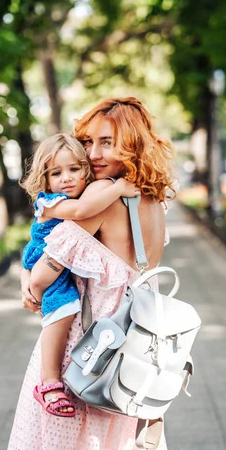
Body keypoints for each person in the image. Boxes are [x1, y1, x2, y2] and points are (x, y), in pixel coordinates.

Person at [0, 97, 176, 450]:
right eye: (88, 142)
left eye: (107, 142)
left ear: (131, 143)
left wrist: (31, 283)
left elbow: (45, 274)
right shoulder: (154, 199)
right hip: (135, 347)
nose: (93, 153)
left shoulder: (97, 204)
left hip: (90, 345)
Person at [19, 133, 139, 417]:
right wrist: (118, 187)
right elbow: (83, 210)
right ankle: (48, 381)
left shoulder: (74, 195)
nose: (67, 178)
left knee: (61, 312)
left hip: (50, 262)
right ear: (45, 180)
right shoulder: (52, 203)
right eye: (56, 173)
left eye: (74, 169)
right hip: (46, 261)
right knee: (62, 312)